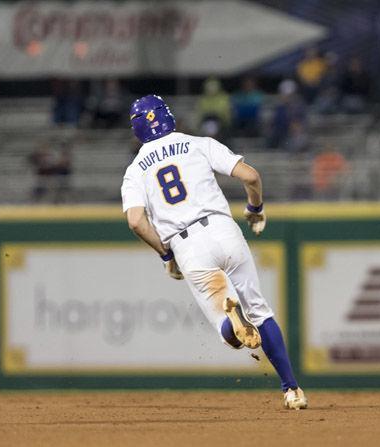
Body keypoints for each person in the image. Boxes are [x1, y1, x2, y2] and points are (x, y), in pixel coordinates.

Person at [121, 95, 308, 410]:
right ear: (169, 117)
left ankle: (233, 320)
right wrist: (255, 207)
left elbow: (136, 221)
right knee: (261, 312)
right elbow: (251, 176)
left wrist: (166, 255)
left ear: (137, 128)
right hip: (224, 229)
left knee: (229, 335)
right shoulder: (197, 143)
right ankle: (292, 390)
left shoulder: (135, 169)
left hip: (187, 245)